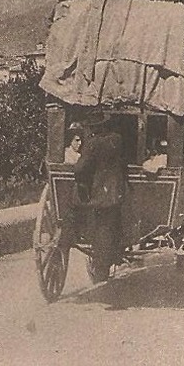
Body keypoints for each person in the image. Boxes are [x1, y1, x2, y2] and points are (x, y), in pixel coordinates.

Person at [66, 116, 126, 272]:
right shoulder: (117, 140)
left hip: (98, 191)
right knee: (110, 223)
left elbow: (80, 169)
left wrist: (81, 180)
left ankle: (101, 263)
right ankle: (112, 255)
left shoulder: (92, 144)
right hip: (115, 191)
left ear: (92, 128)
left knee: (98, 224)